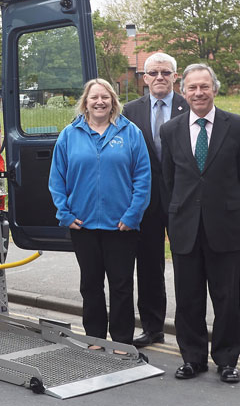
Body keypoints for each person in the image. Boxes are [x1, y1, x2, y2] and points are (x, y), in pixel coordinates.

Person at [159, 64, 240, 383]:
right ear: (183, 91)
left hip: (224, 225)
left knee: (226, 298)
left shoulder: (239, 126)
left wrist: (223, 204)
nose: (198, 93)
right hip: (184, 226)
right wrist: (175, 218)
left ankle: (227, 360)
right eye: (192, 88)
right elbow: (168, 180)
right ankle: (193, 358)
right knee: (188, 298)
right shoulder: (170, 130)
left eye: (204, 87)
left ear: (214, 88)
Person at [49, 78, 151, 346]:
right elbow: (56, 180)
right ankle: (95, 339)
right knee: (91, 286)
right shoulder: (69, 135)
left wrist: (132, 216)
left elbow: (143, 178)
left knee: (121, 286)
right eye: (94, 97)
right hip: (83, 227)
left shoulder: (131, 133)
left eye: (105, 97)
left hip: (121, 226)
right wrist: (65, 214)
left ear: (113, 101)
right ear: (85, 102)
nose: (99, 102)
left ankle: (120, 342)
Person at [123, 52, 189, 348]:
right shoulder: (128, 111)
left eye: (166, 72)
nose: (159, 78)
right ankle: (152, 328)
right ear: (144, 78)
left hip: (183, 200)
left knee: (187, 266)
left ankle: (189, 328)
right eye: (153, 73)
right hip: (145, 201)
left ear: (175, 77)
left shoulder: (190, 106)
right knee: (148, 267)